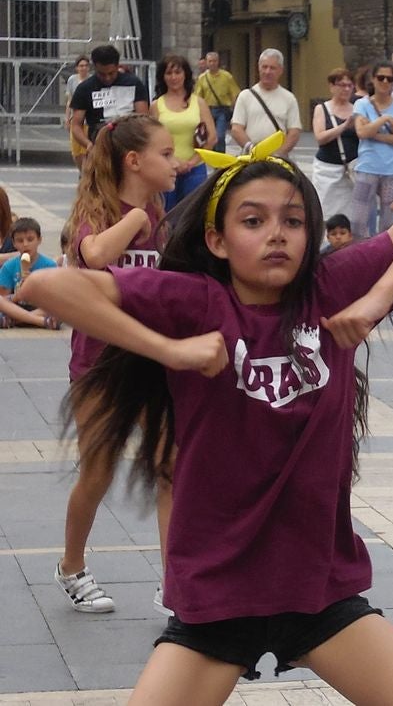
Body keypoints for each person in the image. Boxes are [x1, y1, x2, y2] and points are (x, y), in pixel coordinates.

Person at [20, 131, 393, 705]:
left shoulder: (328, 290)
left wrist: (377, 298)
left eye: (292, 221)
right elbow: (47, 285)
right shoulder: (198, 303)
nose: (276, 235)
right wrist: (170, 350)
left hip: (318, 591)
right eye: (253, 221)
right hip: (218, 598)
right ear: (216, 238)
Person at [56, 113, 178, 614]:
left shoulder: (162, 215)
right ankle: (71, 566)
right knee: (99, 471)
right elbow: (95, 255)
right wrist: (136, 219)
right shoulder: (101, 211)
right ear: (134, 161)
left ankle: (174, 582)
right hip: (100, 367)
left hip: (150, 361)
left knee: (169, 467)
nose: (176, 162)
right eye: (166, 154)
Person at [350, 61, 393, 237]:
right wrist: (384, 119)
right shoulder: (362, 105)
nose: (385, 82)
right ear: (373, 79)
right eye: (381, 78)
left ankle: (384, 261)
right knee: (358, 222)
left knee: (389, 224)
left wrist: (376, 134)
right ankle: (362, 259)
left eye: (390, 79)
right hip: (368, 166)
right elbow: (361, 132)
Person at [153, 54, 217, 211]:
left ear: (185, 75)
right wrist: (174, 161)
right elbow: (152, 140)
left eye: (178, 72)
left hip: (195, 169)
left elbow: (212, 137)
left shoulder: (199, 103)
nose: (173, 77)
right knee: (166, 216)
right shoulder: (156, 105)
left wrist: (191, 163)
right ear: (163, 77)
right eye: (169, 73)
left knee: (192, 214)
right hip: (166, 169)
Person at [69, 45, 150, 150]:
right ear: (95, 68)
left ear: (117, 66)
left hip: (129, 145)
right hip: (99, 145)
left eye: (111, 73)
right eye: (101, 74)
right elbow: (76, 125)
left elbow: (143, 118)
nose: (107, 78)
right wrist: (88, 144)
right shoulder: (85, 88)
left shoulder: (134, 83)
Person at [230, 48, 302, 157]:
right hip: (251, 157)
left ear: (280, 70)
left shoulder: (289, 98)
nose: (267, 72)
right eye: (264, 67)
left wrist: (279, 154)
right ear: (258, 68)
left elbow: (294, 132)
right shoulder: (245, 96)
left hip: (277, 159)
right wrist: (252, 150)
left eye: (272, 68)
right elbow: (236, 129)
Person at [311, 68, 360, 220]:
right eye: (341, 85)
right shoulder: (322, 109)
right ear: (332, 86)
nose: (345, 89)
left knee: (351, 217)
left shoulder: (358, 108)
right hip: (327, 170)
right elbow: (320, 137)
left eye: (349, 85)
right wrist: (344, 126)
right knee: (325, 214)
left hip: (351, 170)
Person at [0, 218, 61, 329]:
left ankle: (16, 320)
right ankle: (40, 322)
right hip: (16, 307)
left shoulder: (49, 265)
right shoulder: (8, 266)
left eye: (30, 239)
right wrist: (17, 296)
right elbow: (3, 298)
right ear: (14, 243)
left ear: (39, 240)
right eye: (20, 241)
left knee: (59, 306)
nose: (25, 244)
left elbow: (53, 297)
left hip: (40, 307)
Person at [196, 51, 241, 154]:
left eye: (214, 61)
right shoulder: (202, 78)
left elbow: (234, 93)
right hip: (208, 110)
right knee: (210, 137)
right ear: (207, 63)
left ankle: (220, 158)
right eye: (210, 61)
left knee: (220, 136)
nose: (212, 63)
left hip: (222, 110)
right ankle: (213, 156)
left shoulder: (227, 77)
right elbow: (198, 97)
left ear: (218, 62)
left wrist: (235, 109)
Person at [65, 55, 92, 169]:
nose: (83, 68)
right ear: (77, 68)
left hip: (87, 120)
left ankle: (85, 174)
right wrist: (67, 117)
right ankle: (81, 171)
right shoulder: (72, 80)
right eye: (81, 66)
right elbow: (69, 100)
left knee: (85, 150)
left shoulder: (92, 80)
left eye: (86, 65)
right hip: (75, 119)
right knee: (76, 152)